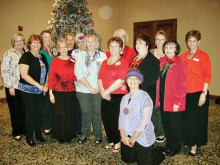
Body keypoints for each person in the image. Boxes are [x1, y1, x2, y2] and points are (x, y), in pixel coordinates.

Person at [181, 30, 211, 156]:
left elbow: (207, 76)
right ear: (187, 42)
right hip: (185, 93)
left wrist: (203, 93)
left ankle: (194, 145)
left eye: (194, 41)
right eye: (189, 41)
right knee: (187, 119)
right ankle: (188, 140)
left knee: (197, 121)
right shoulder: (183, 56)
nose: (191, 43)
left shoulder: (204, 56)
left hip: (199, 93)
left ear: (199, 41)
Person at [98, 37, 129, 153]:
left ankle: (118, 142)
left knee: (115, 120)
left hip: (118, 96)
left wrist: (107, 91)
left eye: (116, 46)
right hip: (105, 95)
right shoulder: (105, 62)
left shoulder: (123, 62)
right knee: (106, 119)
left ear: (121, 49)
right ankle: (111, 140)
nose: (113, 48)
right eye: (111, 46)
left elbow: (121, 80)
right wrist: (102, 91)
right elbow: (99, 78)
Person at [157, 40, 187, 157]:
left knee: (174, 125)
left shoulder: (180, 63)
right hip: (163, 99)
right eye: (167, 47)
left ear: (176, 49)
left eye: (171, 47)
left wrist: (177, 102)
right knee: (166, 124)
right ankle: (169, 144)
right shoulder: (162, 61)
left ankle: (176, 147)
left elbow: (182, 84)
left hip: (174, 100)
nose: (168, 50)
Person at [74, 34, 107, 144]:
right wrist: (90, 88)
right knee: (86, 112)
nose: (91, 44)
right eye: (88, 41)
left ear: (96, 43)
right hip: (83, 90)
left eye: (93, 41)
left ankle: (98, 135)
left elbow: (105, 73)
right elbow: (79, 74)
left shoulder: (102, 55)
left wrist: (98, 88)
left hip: (98, 89)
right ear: (85, 44)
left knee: (97, 112)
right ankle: (85, 134)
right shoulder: (81, 56)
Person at [119, 69, 155, 165]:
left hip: (141, 134)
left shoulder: (145, 97)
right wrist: (123, 136)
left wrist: (134, 137)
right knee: (127, 159)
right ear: (126, 81)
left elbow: (146, 120)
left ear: (140, 81)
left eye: (136, 79)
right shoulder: (124, 98)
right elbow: (121, 118)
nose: (133, 81)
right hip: (128, 133)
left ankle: (158, 153)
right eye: (130, 78)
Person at [18, 34, 48, 146]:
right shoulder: (25, 56)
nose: (36, 44)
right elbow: (24, 75)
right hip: (28, 91)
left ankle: (39, 135)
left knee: (39, 113)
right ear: (29, 44)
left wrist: (46, 84)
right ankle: (29, 137)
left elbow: (47, 73)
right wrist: (39, 86)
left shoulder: (42, 56)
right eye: (34, 42)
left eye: (38, 42)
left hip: (40, 91)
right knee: (30, 114)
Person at [48, 39, 77, 143]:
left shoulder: (72, 60)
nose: (63, 49)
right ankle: (60, 135)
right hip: (58, 91)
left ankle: (69, 135)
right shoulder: (55, 61)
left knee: (69, 114)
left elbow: (75, 76)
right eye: (61, 47)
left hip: (71, 91)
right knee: (59, 114)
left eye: (65, 46)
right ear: (58, 49)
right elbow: (50, 77)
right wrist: (51, 93)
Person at [1, 33, 27, 141]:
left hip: (24, 86)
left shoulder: (26, 53)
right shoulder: (8, 54)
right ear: (13, 42)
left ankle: (23, 129)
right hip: (13, 86)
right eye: (17, 41)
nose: (19, 43)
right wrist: (10, 86)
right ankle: (16, 131)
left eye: (21, 40)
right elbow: (4, 71)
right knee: (15, 110)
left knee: (23, 109)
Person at [130, 34, 160, 105]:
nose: (137, 45)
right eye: (136, 43)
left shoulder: (153, 61)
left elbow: (151, 79)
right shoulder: (135, 58)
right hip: (132, 94)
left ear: (147, 45)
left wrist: (135, 85)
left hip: (145, 96)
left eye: (140, 43)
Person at [150, 30, 167, 142]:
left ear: (166, 41)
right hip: (151, 85)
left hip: (165, 85)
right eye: (157, 39)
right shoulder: (150, 52)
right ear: (155, 41)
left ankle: (162, 133)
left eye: (162, 39)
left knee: (162, 109)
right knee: (152, 109)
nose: (160, 41)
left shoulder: (169, 53)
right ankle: (154, 131)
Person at [39, 30, 56, 135]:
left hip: (53, 82)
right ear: (41, 39)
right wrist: (45, 84)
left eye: (49, 37)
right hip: (45, 82)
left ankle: (50, 124)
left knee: (51, 105)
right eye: (45, 37)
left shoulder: (52, 51)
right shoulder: (41, 52)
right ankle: (45, 126)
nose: (48, 39)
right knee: (45, 105)